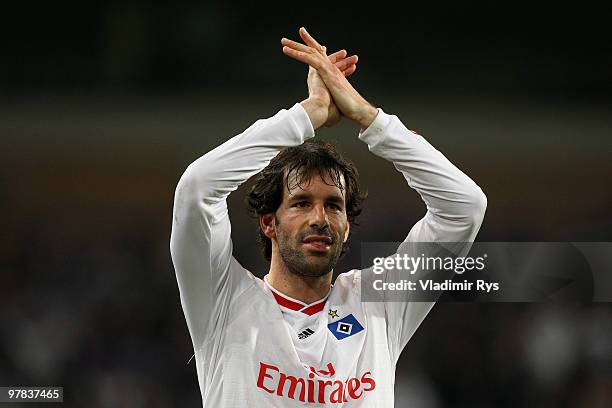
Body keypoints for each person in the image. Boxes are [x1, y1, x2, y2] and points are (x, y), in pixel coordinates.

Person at [170, 27, 486, 407]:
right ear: (269, 222)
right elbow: (197, 189)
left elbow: (464, 207)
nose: (320, 217)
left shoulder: (380, 305)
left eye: (333, 205)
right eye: (301, 203)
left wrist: (370, 119)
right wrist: (308, 115)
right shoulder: (223, 301)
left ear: (347, 226)